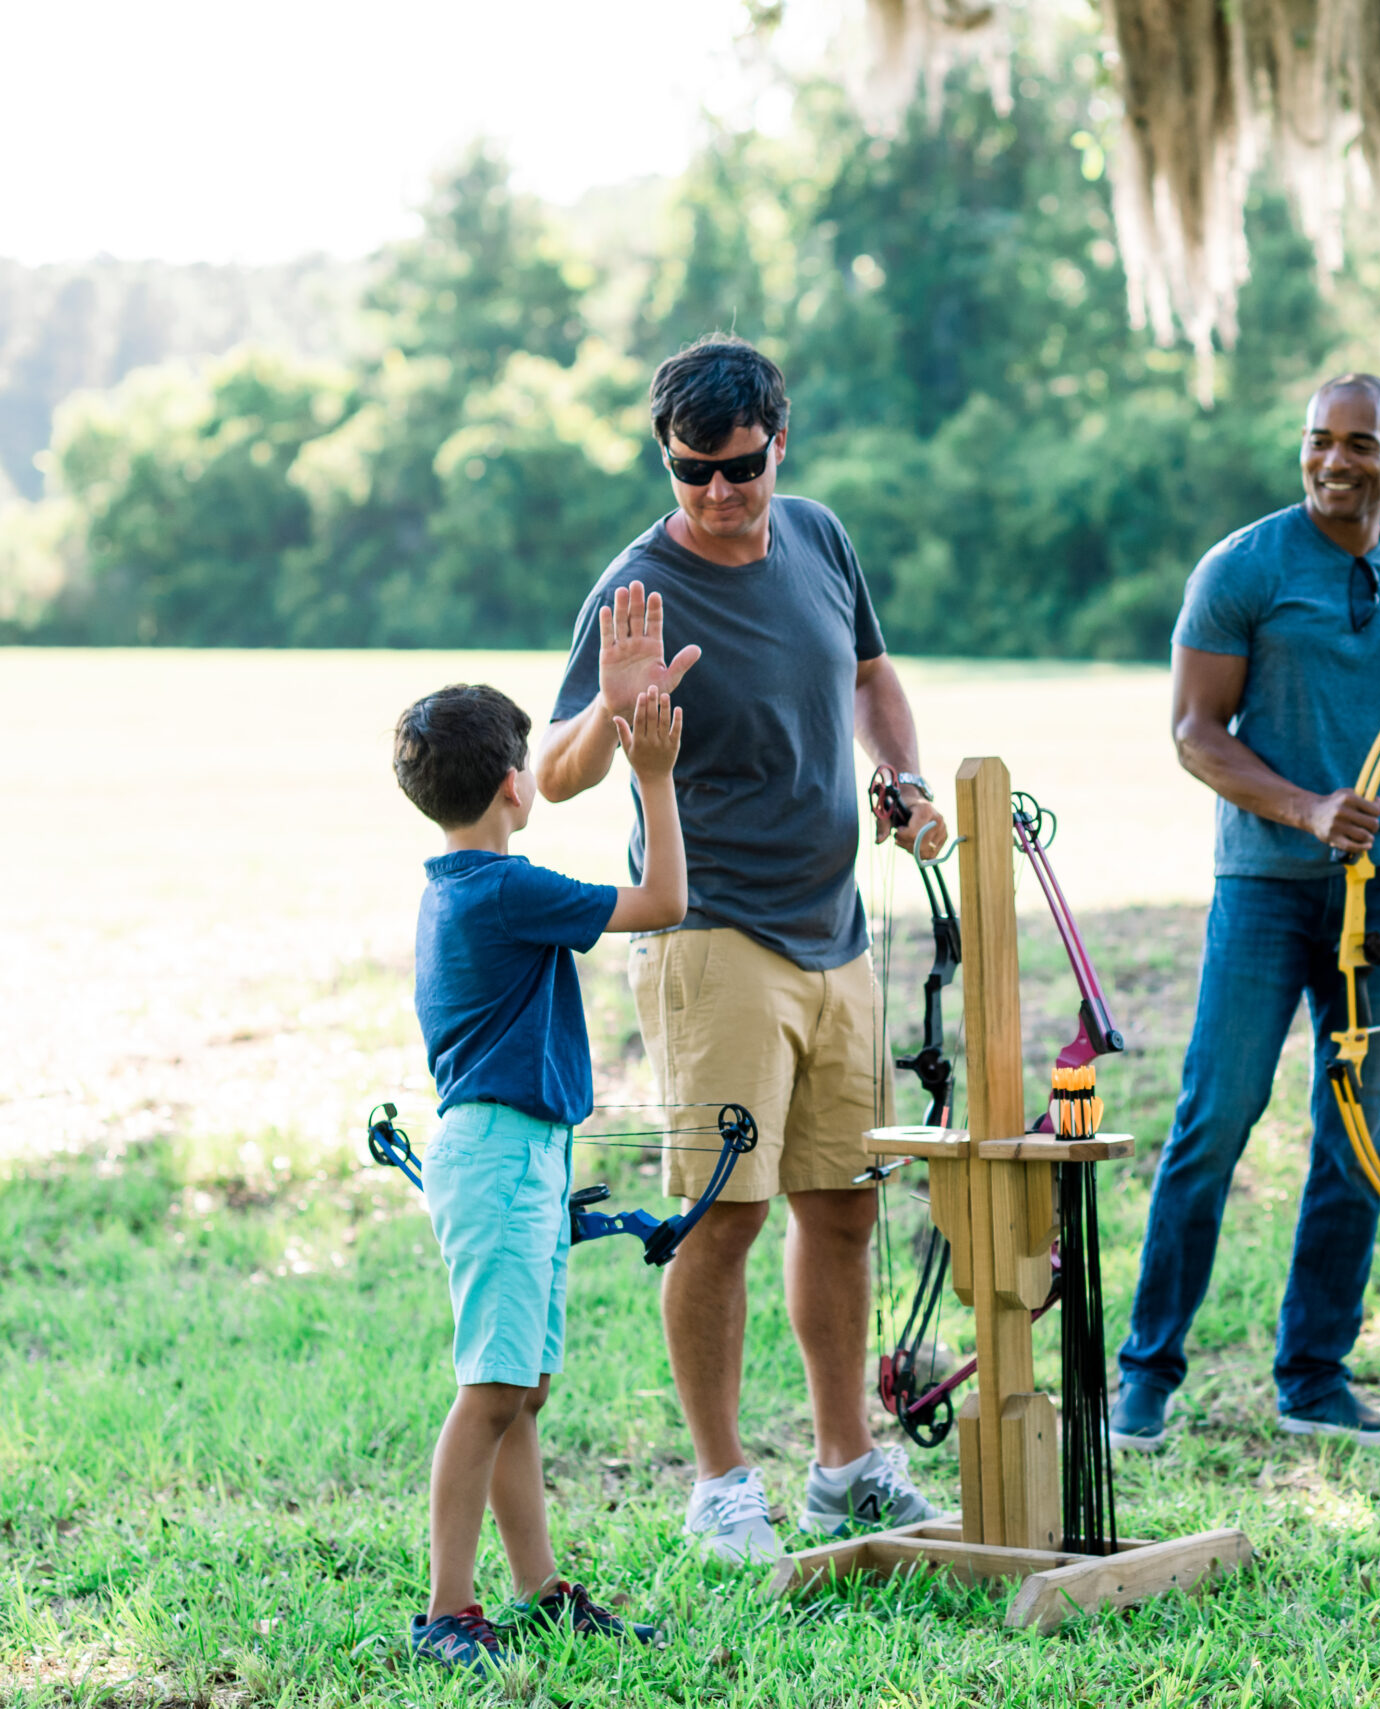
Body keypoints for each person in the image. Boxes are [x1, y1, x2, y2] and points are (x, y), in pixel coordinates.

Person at [534, 335, 947, 1565]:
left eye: (740, 467)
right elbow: (551, 777)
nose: (716, 494)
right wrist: (616, 703)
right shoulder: (634, 587)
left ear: (781, 440)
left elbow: (870, 673)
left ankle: (843, 1466)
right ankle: (719, 1484)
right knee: (723, 1217)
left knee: (844, 1206)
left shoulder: (819, 537)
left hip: (839, 928)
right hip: (710, 931)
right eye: (689, 471)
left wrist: (903, 775)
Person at [1110, 373, 1380, 1452]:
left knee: (1356, 1133)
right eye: (1318, 441)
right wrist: (1306, 806)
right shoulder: (1242, 568)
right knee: (1214, 1119)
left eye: (1358, 443)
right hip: (1263, 891)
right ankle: (1145, 1373)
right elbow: (1195, 730)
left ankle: (1314, 1376)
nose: (1335, 460)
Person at [394, 681, 683, 1670]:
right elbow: (663, 902)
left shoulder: (449, 884)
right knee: (491, 1389)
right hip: (499, 1154)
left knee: (524, 1385)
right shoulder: (506, 889)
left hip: (514, 1151)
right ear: (518, 785)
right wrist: (652, 775)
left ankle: (539, 1590)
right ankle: (447, 1612)